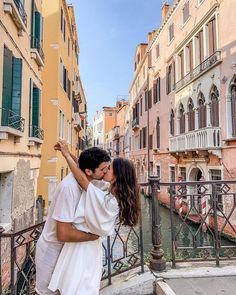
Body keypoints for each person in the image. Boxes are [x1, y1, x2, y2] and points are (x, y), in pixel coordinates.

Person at [48, 140, 140, 295]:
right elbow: (87, 169)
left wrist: (66, 155)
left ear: (116, 175)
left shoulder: (109, 201)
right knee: (80, 283)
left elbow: (83, 179)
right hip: (87, 243)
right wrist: (70, 153)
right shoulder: (107, 191)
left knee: (78, 285)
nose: (105, 170)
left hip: (83, 245)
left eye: (108, 168)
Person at [35, 147, 111, 295]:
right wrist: (93, 237)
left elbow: (81, 165)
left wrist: (68, 154)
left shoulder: (90, 182)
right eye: (103, 169)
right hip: (52, 252)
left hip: (68, 252)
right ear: (89, 171)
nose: (106, 172)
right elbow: (62, 234)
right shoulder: (69, 188)